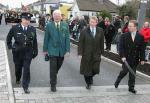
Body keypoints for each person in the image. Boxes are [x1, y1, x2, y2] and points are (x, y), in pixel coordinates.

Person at [6, 12, 38, 94]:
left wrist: (35, 51)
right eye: (25, 19)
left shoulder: (32, 29)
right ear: (22, 19)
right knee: (18, 68)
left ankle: (25, 86)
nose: (27, 21)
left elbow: (34, 41)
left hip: (28, 52)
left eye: (28, 20)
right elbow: (8, 38)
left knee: (27, 69)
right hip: (17, 52)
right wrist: (10, 47)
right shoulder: (15, 28)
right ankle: (17, 78)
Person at [114, 20, 145, 94]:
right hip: (126, 58)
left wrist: (142, 59)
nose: (129, 27)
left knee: (132, 74)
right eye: (128, 26)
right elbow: (121, 47)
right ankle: (118, 80)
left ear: (135, 27)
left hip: (135, 59)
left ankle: (131, 88)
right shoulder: (124, 35)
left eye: (131, 26)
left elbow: (142, 49)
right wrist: (122, 56)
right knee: (124, 72)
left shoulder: (140, 36)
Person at [43, 10, 70, 92]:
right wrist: (45, 50)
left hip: (61, 51)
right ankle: (53, 84)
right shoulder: (49, 25)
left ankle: (53, 76)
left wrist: (67, 50)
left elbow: (67, 38)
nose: (57, 17)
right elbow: (46, 38)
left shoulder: (65, 25)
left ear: (61, 17)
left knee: (58, 66)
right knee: (53, 68)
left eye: (58, 15)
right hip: (52, 50)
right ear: (53, 16)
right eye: (55, 15)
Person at [78, 16, 104, 90]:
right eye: (91, 22)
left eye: (94, 22)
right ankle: (88, 83)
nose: (92, 23)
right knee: (86, 70)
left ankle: (90, 77)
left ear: (96, 23)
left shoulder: (100, 30)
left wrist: (102, 52)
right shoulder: (84, 31)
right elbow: (80, 43)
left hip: (96, 53)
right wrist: (80, 53)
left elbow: (102, 42)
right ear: (89, 22)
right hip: (86, 54)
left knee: (96, 69)